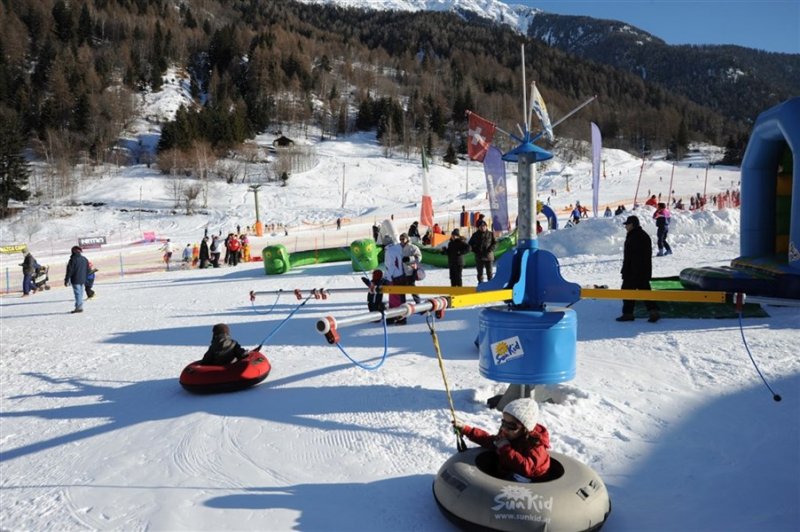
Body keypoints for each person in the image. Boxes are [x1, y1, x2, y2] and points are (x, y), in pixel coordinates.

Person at [452, 398, 551, 482]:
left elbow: (527, 468)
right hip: (509, 469)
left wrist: (506, 449)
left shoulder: (536, 445)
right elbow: (489, 441)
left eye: (511, 426)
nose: (504, 429)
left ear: (525, 429)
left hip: (530, 481)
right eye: (503, 423)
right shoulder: (508, 434)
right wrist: (467, 430)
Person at [618, 216, 660, 323]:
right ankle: (653, 312)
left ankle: (628, 314)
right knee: (645, 292)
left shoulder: (635, 236)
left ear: (632, 224)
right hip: (641, 271)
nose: (626, 226)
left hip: (634, 271)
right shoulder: (640, 235)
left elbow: (633, 257)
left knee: (627, 292)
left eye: (627, 224)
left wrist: (629, 271)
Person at [64, 245, 90, 313]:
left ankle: (79, 307)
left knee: (78, 293)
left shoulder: (73, 260)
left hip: (75, 279)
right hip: (83, 279)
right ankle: (79, 306)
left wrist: (66, 279)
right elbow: (88, 269)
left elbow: (69, 271)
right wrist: (86, 278)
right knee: (80, 293)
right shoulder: (84, 259)